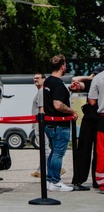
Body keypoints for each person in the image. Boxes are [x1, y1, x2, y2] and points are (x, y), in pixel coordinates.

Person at [42, 54, 76, 193]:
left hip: (49, 124)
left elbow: (53, 98)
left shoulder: (48, 81)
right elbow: (57, 104)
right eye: (65, 64)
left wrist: (68, 90)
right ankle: (56, 181)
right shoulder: (58, 83)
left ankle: (50, 180)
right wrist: (72, 111)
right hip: (59, 125)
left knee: (53, 152)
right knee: (58, 153)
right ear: (62, 66)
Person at [70, 67, 102, 190]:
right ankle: (79, 179)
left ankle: (97, 180)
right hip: (89, 120)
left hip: (97, 120)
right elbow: (75, 79)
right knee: (83, 150)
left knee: (98, 152)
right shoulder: (90, 83)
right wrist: (90, 77)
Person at [87, 69, 104, 191]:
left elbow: (92, 101)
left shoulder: (98, 77)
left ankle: (102, 183)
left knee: (102, 150)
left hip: (103, 118)